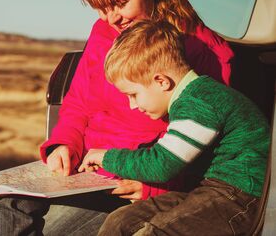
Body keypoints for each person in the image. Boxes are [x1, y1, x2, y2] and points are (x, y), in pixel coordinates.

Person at [0, 0, 234, 235]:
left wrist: (157, 189)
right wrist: (65, 143)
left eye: (120, 3)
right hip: (86, 170)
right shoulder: (103, 33)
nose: (112, 18)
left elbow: (209, 144)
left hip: (133, 182)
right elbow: (79, 102)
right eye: (101, 7)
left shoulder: (203, 50)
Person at [79, 19, 269, 236]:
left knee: (155, 232)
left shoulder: (200, 103)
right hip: (211, 190)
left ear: (161, 81)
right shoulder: (189, 99)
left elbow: (161, 165)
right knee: (120, 221)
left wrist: (107, 158)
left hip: (242, 198)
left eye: (133, 94)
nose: (132, 105)